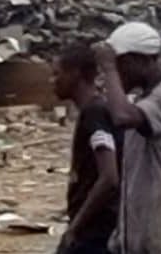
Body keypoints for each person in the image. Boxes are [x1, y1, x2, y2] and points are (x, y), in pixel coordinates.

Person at [94, 22, 161, 254]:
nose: (118, 73)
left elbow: (121, 116)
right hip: (142, 225)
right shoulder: (147, 99)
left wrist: (108, 68)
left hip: (160, 227)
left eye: (121, 66)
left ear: (140, 61)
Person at [52, 44, 122, 254]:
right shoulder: (95, 110)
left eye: (57, 74)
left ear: (75, 74)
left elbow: (109, 177)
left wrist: (75, 228)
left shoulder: (94, 113)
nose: (51, 81)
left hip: (95, 231)